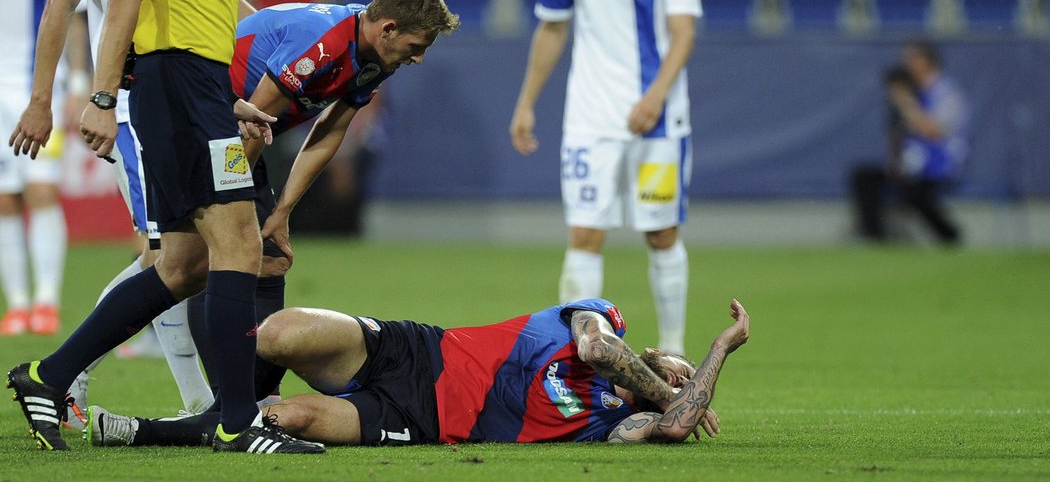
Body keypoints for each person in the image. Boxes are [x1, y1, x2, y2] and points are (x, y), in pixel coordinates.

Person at [6, 0, 322, 455]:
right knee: (239, 246)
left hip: (195, 85)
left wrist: (225, 91)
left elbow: (185, 8)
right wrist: (98, 96)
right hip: (174, 88)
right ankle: (239, 421)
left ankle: (48, 372)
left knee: (183, 263)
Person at [7, 0, 214, 420]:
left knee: (182, 257)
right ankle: (81, 376)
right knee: (169, 257)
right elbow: (60, 6)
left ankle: (77, 374)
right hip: (130, 108)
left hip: (190, 103)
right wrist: (47, 99)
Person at [187, 0, 460, 399]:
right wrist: (234, 201)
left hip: (242, 137)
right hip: (209, 127)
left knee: (270, 258)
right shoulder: (324, 45)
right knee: (202, 264)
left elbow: (329, 131)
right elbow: (255, 120)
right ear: (389, 29)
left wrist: (281, 212)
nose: (419, 58)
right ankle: (231, 404)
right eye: (417, 46)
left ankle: (254, 397)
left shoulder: (375, 56)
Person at [86, 298, 750, 447]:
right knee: (280, 333)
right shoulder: (600, 319)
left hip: (422, 421)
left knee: (288, 418)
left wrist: (719, 349)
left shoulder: (609, 419)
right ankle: (221, 414)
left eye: (684, 372)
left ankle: (143, 432)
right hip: (414, 351)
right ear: (659, 359)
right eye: (678, 362)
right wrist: (670, 381)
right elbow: (603, 355)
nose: (678, 373)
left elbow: (673, 424)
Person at [510, 0, 701, 357]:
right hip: (591, 119)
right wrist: (527, 101)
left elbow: (683, 31)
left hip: (658, 123)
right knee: (585, 234)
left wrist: (656, 96)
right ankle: (573, 354)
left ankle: (674, 349)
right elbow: (551, 30)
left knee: (660, 233)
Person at [0, 0, 69, 338]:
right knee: (4, 199)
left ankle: (46, 301)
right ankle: (17, 305)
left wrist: (84, 83)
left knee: (42, 190)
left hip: (44, 89)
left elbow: (78, 21)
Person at [850, 40, 970, 245]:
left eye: (912, 58)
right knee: (863, 177)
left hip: (939, 166)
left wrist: (905, 102)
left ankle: (948, 235)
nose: (907, 63)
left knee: (914, 192)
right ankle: (874, 237)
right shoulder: (914, 92)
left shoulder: (946, 93)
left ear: (926, 61)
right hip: (912, 164)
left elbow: (934, 131)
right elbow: (898, 133)